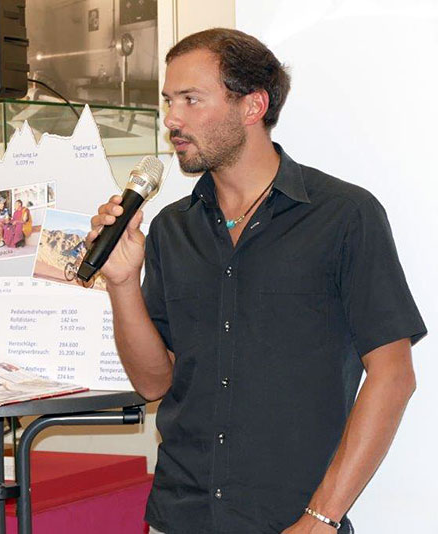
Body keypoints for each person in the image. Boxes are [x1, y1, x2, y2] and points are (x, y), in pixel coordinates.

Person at [89, 29, 426, 534]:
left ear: (252, 105)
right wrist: (121, 283)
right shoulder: (172, 229)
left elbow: (393, 376)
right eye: (168, 101)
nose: (171, 119)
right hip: (179, 516)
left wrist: (321, 517)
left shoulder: (343, 215)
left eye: (190, 99)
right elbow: (154, 382)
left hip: (292, 520)